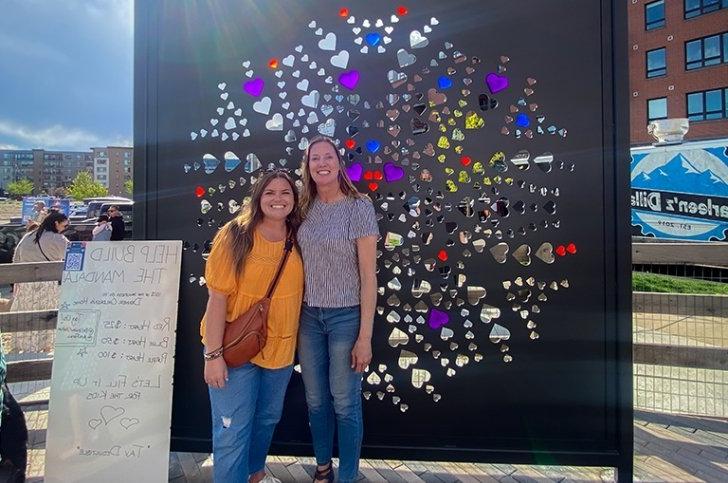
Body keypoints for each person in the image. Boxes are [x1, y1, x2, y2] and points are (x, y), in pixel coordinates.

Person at [201, 170, 304, 483]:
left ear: (294, 200)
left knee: (266, 419)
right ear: (258, 197)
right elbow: (217, 299)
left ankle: (254, 474)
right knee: (232, 428)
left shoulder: (299, 235)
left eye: (285, 192)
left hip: (281, 349)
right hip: (234, 350)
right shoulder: (236, 235)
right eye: (270, 192)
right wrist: (212, 355)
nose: (277, 198)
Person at [296, 136, 379, 483]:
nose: (321, 163)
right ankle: (322, 467)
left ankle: (348, 476)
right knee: (316, 402)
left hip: (347, 316)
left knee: (345, 403)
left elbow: (368, 276)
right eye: (315, 158)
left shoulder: (359, 207)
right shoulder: (303, 208)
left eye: (327, 156)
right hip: (308, 317)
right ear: (308, 166)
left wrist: (365, 337)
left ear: (339, 162)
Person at [10, 212, 69, 353]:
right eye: (64, 225)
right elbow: (73, 255)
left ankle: (24, 346)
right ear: (56, 224)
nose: (64, 228)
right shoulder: (57, 239)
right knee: (46, 314)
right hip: (46, 284)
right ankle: (43, 346)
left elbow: (16, 258)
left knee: (26, 313)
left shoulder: (28, 236)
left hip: (25, 283)